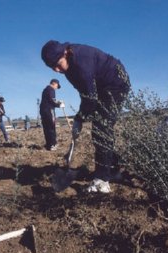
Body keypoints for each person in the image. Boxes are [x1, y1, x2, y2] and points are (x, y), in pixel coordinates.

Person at [41, 40, 131, 193]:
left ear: (65, 53)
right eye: (52, 68)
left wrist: (79, 118)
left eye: (57, 64)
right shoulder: (69, 69)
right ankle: (113, 169)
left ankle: (102, 181)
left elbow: (90, 97)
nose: (56, 70)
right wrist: (81, 117)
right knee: (101, 128)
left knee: (102, 129)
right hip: (102, 87)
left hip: (116, 82)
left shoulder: (81, 62)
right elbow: (85, 94)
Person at [40, 79, 64, 150]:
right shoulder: (51, 89)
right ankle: (52, 145)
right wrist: (59, 105)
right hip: (49, 110)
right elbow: (52, 101)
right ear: (54, 83)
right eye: (57, 86)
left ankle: (48, 144)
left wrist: (57, 103)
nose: (57, 88)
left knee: (46, 128)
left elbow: (49, 100)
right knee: (51, 127)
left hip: (43, 110)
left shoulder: (45, 90)